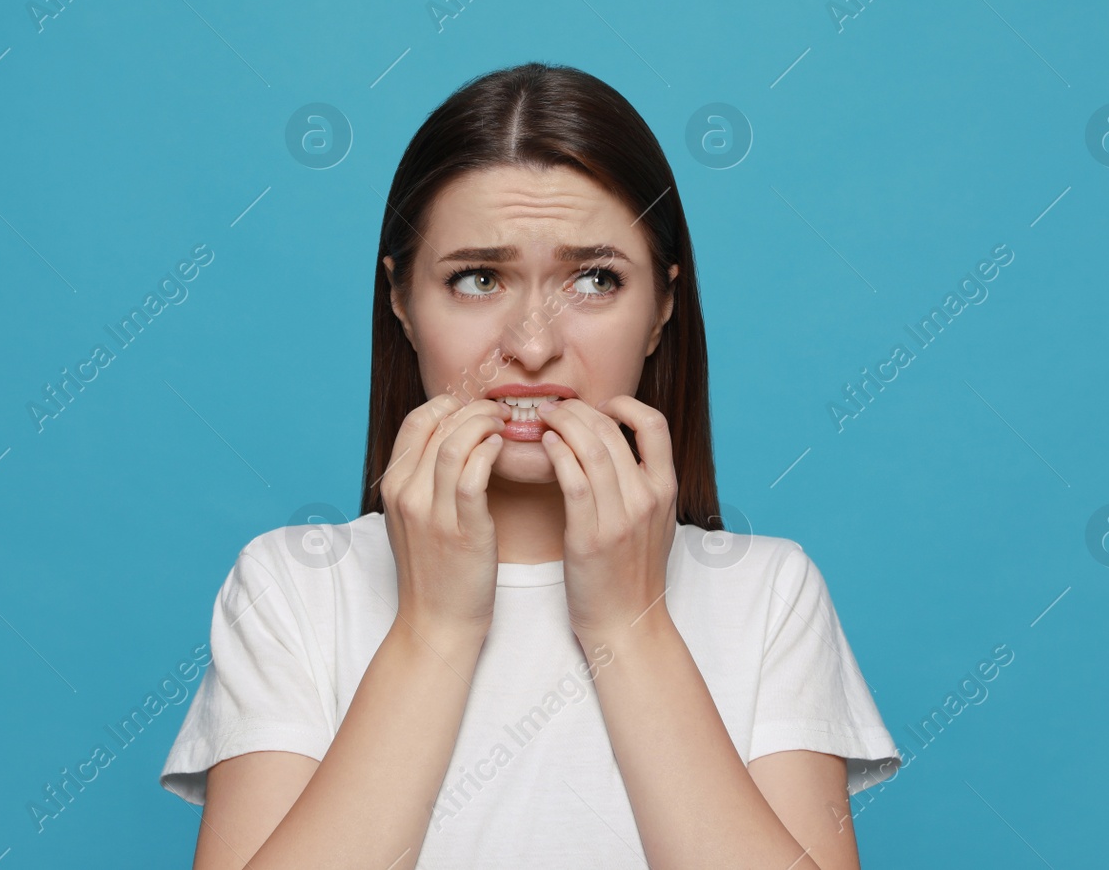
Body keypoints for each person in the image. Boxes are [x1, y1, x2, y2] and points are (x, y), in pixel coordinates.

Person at [159, 62, 900, 868]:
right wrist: (434, 630)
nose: (535, 344)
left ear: (662, 308)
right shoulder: (292, 589)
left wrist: (631, 625)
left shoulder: (769, 595)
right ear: (402, 301)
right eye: (478, 278)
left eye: (594, 279)